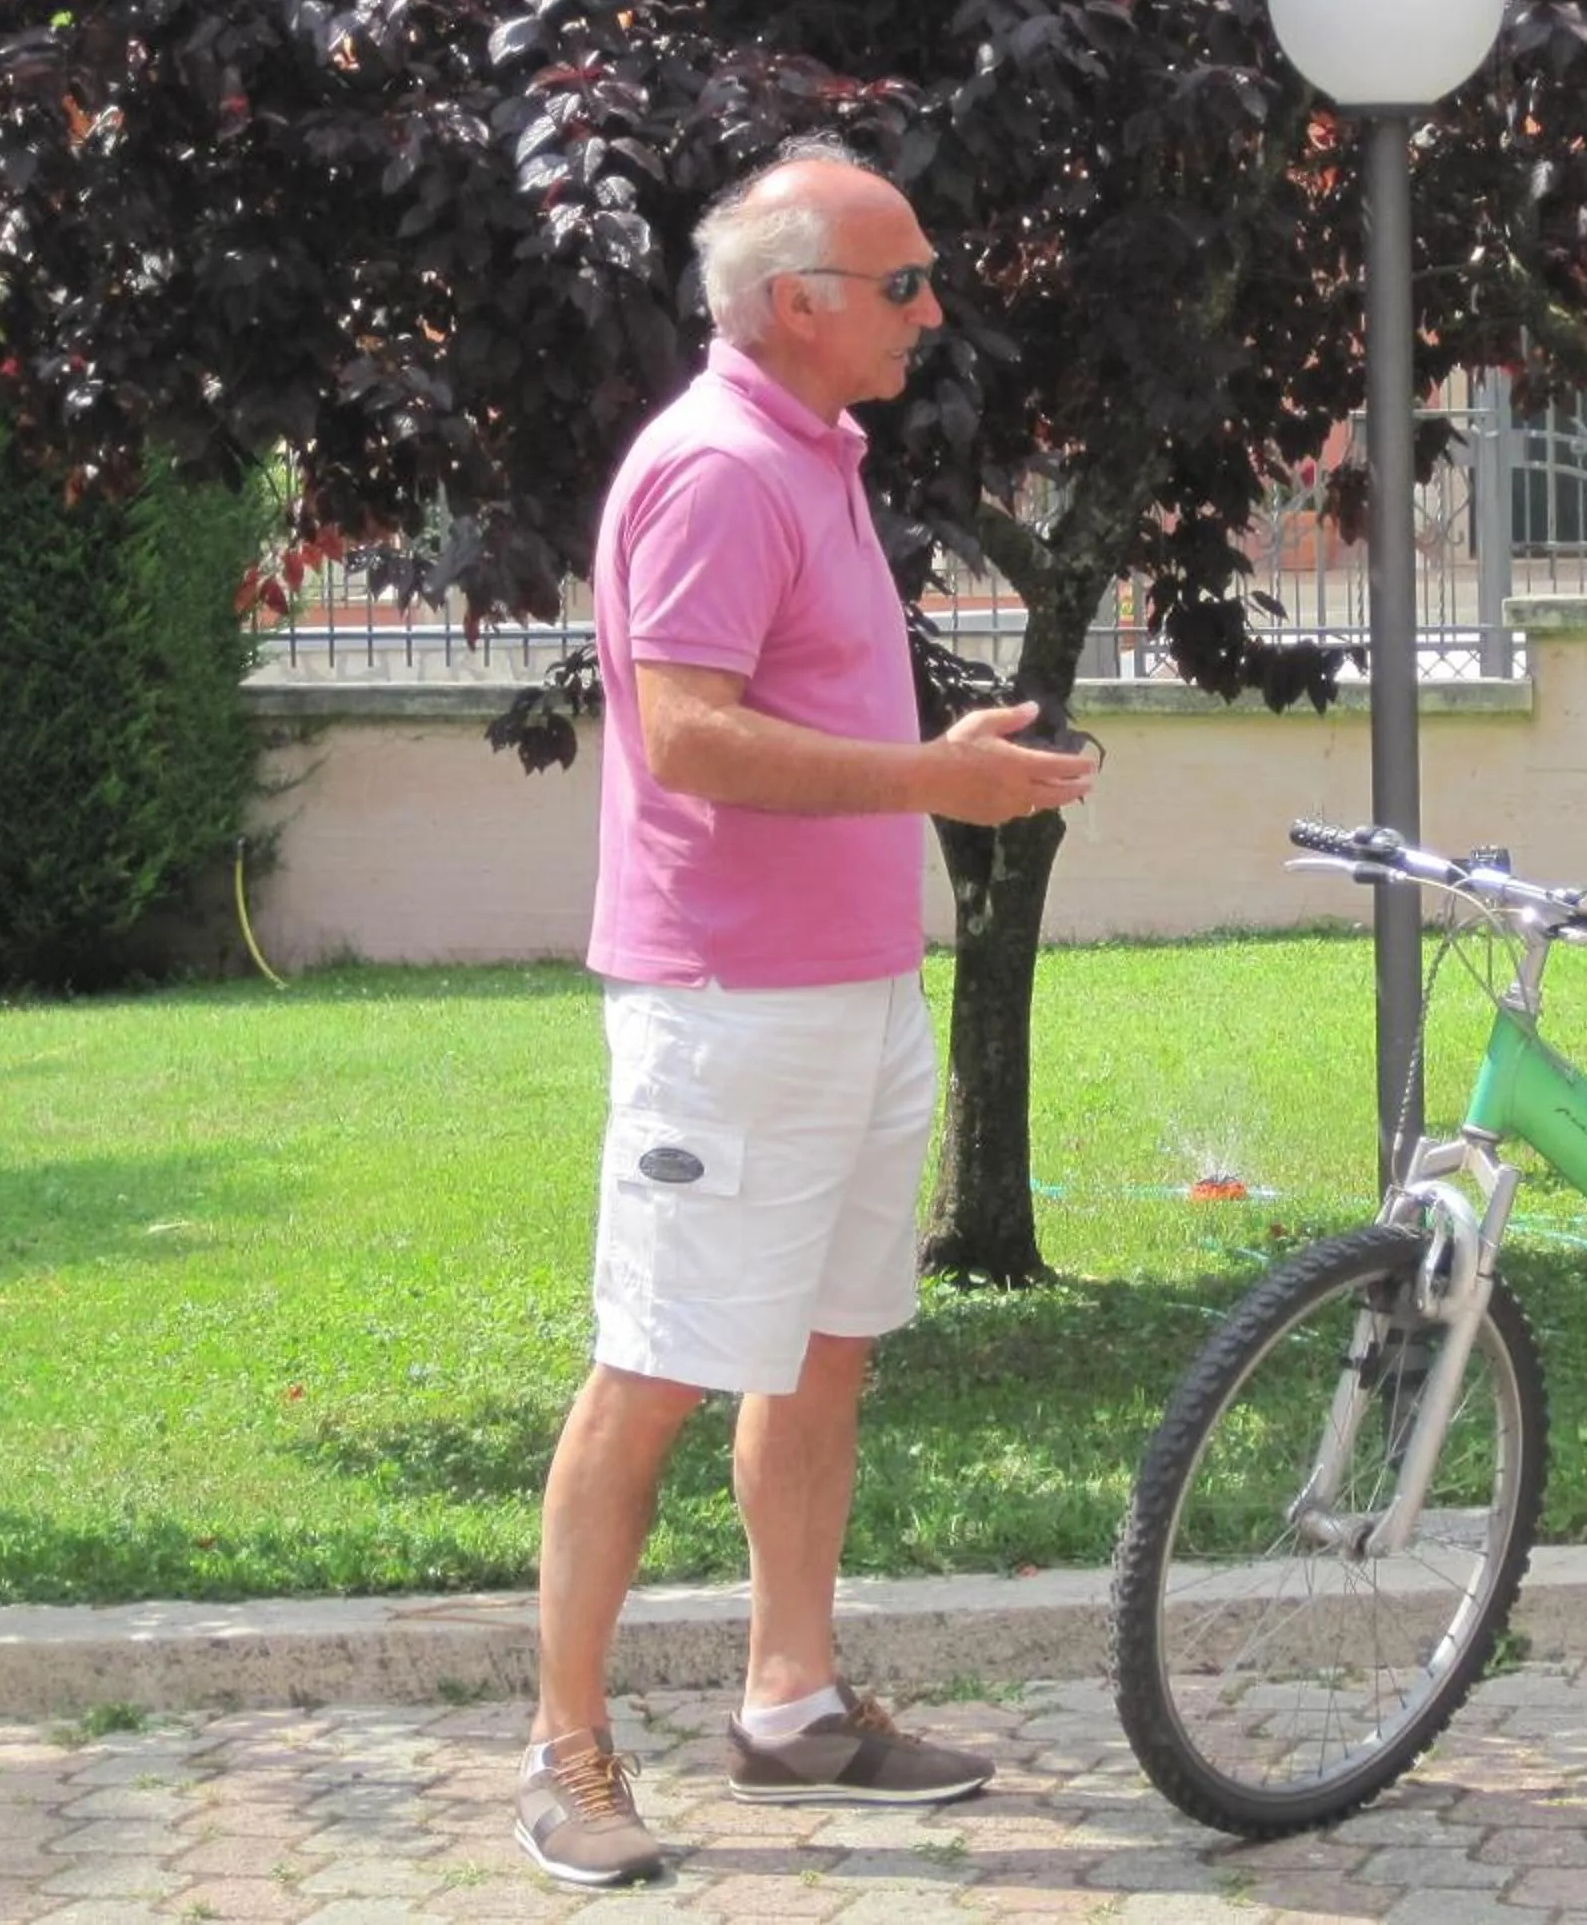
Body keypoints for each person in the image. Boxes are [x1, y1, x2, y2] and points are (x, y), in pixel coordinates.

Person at [514, 143, 1096, 1888]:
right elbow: (680, 732)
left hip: (850, 993)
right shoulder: (709, 469)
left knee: (829, 1346)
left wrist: (936, 768)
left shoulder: (815, 456)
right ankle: (564, 1749)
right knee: (659, 1365)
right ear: (795, 306)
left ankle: (790, 1701)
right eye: (903, 283)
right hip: (725, 1007)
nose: (933, 310)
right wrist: (929, 777)